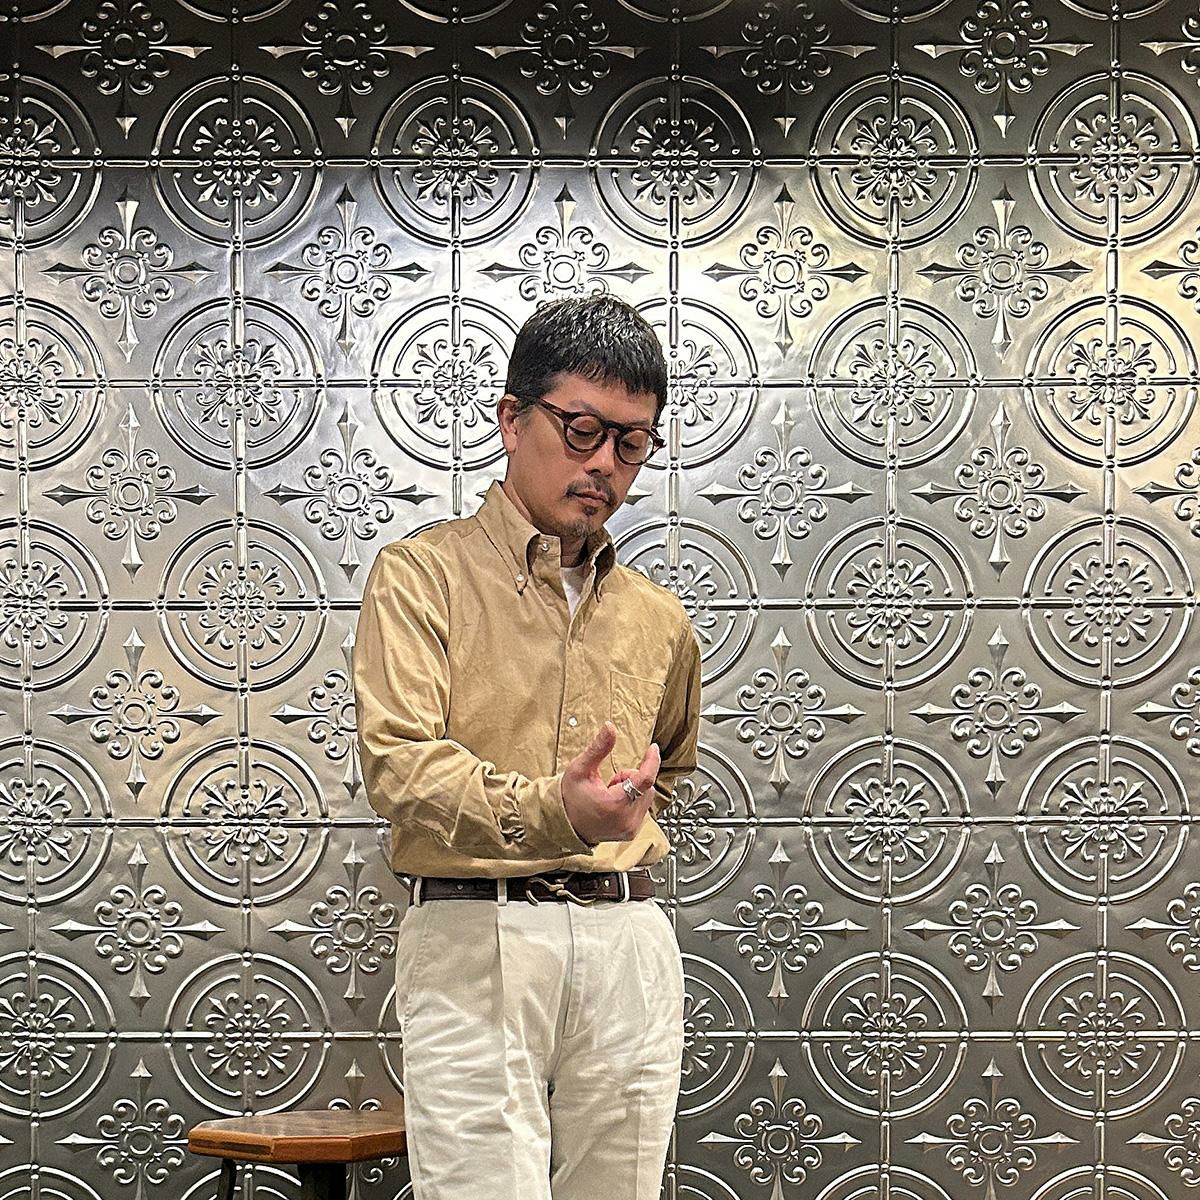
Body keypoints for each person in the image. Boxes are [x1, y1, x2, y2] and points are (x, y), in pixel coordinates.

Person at [352, 294, 702, 1200]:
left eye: (632, 443)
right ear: (512, 419)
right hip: (476, 933)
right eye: (581, 430)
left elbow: (673, 765)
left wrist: (612, 819)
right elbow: (399, 766)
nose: (604, 464)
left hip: (626, 936)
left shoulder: (659, 617)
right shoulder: (422, 577)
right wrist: (558, 809)